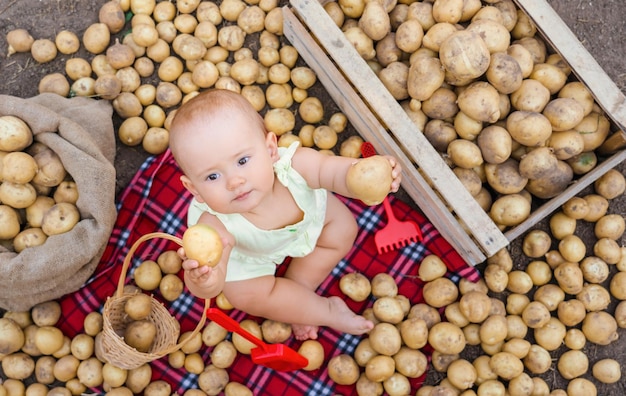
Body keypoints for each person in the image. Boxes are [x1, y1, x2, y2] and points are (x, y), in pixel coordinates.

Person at [169, 89, 403, 340]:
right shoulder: (213, 224)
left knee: (343, 228)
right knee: (243, 294)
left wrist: (368, 174)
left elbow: (335, 173)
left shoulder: (295, 167)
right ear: (194, 189)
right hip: (252, 257)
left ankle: (300, 287)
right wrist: (204, 280)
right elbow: (214, 275)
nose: (235, 181)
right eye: (212, 176)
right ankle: (324, 311)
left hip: (311, 223)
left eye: (243, 161)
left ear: (271, 150)